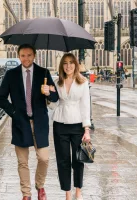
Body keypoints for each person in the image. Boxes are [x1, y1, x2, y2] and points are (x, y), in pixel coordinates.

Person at [0, 44, 59, 200]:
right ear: (19, 56)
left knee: (44, 158)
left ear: (34, 56)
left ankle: (40, 185)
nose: (26, 58)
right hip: (20, 122)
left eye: (29, 55)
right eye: (23, 55)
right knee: (22, 161)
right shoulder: (11, 74)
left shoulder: (43, 72)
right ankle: (26, 193)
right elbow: (0, 98)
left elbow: (55, 97)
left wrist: (48, 93)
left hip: (40, 122)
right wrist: (14, 113)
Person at [49, 53, 91, 200]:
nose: (68, 66)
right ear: (62, 65)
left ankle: (78, 191)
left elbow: (85, 106)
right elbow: (53, 105)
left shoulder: (83, 82)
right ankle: (67, 193)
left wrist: (87, 130)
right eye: (65, 63)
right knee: (63, 160)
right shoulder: (56, 82)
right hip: (60, 124)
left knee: (78, 160)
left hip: (77, 125)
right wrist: (48, 95)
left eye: (71, 63)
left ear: (76, 65)